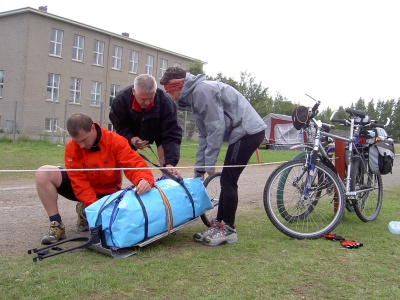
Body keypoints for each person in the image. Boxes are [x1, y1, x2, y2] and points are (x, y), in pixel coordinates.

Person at [160, 67, 267, 246]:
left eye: (171, 91)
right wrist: (199, 169)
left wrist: (209, 165)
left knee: (228, 180)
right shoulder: (194, 96)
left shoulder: (202, 91)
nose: (171, 96)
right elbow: (204, 135)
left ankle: (228, 230)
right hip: (240, 133)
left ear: (180, 85)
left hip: (248, 131)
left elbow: (216, 129)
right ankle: (218, 225)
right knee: (226, 179)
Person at [35, 113, 154, 245]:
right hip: (81, 189)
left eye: (84, 140)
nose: (80, 146)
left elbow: (133, 163)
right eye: (76, 142)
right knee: (43, 173)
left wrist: (143, 179)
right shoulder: (72, 148)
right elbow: (79, 183)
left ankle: (85, 212)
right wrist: (95, 208)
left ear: (92, 128)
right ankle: (57, 224)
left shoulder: (115, 140)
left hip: (108, 193)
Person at [109, 74, 182, 177]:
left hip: (159, 132)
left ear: (155, 92)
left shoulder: (165, 102)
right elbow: (120, 126)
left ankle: (166, 184)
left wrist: (170, 162)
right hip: (131, 132)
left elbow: (171, 133)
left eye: (151, 98)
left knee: (167, 165)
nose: (147, 102)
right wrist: (132, 139)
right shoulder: (120, 101)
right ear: (134, 92)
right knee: (120, 159)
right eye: (143, 99)